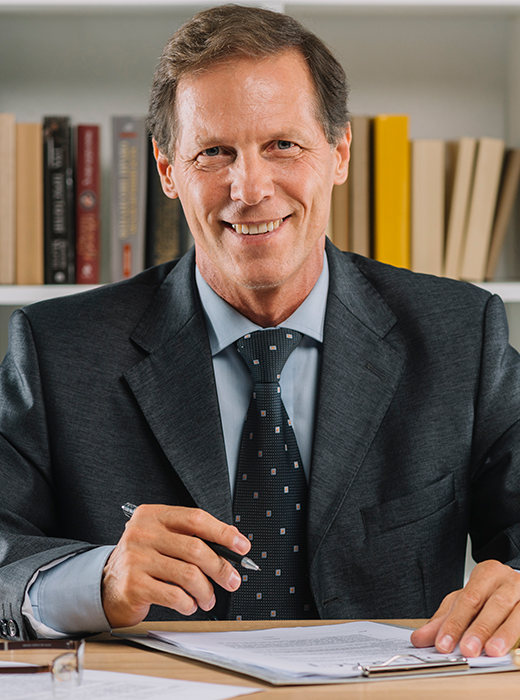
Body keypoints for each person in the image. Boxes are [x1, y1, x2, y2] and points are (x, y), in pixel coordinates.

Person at [1, 4, 520, 659]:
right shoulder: (56, 350)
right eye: (214, 152)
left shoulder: (460, 336)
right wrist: (96, 580)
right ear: (167, 170)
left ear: (339, 153)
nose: (249, 188)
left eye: (283, 145)